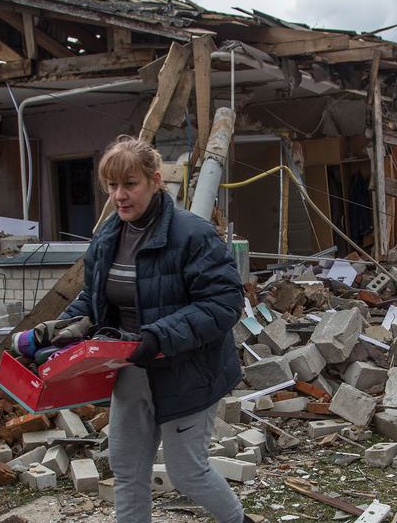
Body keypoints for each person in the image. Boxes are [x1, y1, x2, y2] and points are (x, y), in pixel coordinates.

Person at [55, 135, 250, 523]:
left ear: (155, 180)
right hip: (130, 367)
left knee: (186, 472)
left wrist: (160, 335)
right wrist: (61, 329)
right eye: (112, 186)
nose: (119, 195)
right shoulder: (107, 237)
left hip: (188, 371)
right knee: (127, 469)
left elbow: (225, 304)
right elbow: (94, 300)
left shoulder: (192, 234)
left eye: (130, 184)